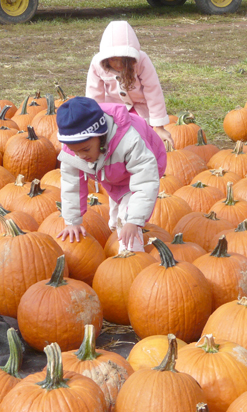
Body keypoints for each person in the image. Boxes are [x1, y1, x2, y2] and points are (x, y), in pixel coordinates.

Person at [56, 97, 167, 252]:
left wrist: (133, 221)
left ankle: (131, 256)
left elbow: (145, 180)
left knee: (126, 220)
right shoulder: (73, 150)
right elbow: (71, 185)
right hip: (112, 172)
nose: (80, 155)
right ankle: (118, 233)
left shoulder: (129, 140)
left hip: (146, 164)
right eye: (75, 150)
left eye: (86, 149)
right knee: (115, 222)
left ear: (101, 137)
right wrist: (73, 222)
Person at [85, 20, 174, 147]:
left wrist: (159, 127)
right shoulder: (97, 64)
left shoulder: (142, 61)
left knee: (141, 140)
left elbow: (153, 91)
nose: (118, 64)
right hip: (113, 109)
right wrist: (94, 123)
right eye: (113, 60)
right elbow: (94, 95)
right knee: (114, 141)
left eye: (124, 60)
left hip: (140, 108)